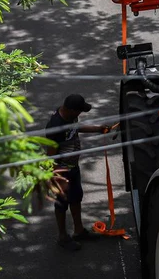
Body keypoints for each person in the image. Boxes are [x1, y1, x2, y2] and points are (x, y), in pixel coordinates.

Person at [45, 94, 111, 251]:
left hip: (73, 168)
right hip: (62, 171)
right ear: (70, 110)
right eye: (79, 111)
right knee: (62, 203)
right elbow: (51, 155)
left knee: (76, 198)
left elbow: (77, 128)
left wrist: (97, 129)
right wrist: (56, 177)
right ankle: (62, 237)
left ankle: (79, 230)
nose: (80, 115)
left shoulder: (70, 118)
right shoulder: (56, 127)